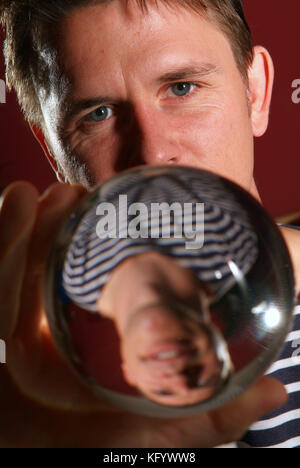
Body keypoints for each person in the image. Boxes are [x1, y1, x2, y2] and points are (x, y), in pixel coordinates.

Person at [0, 0, 299, 448]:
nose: (153, 153)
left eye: (182, 88)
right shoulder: (34, 362)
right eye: (98, 114)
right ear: (53, 151)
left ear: (254, 91)